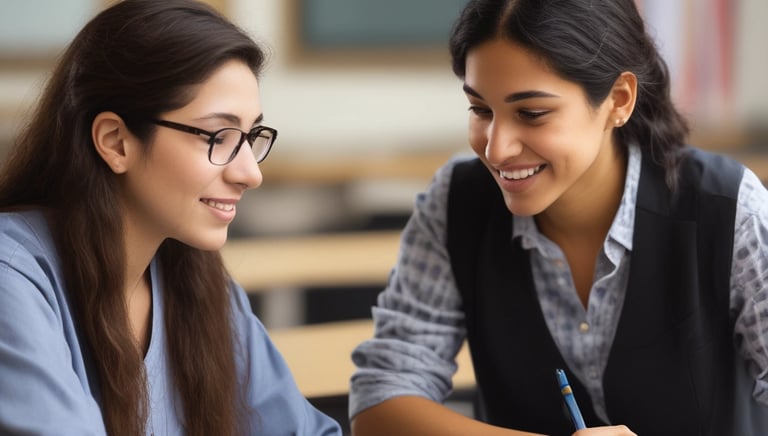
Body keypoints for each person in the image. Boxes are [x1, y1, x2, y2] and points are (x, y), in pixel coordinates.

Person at [349, 0, 768, 435]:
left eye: (531, 113)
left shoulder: (730, 209)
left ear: (618, 100)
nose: (496, 149)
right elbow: (380, 404)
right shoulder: (456, 202)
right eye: (480, 110)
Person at [0, 1, 341, 435]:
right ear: (116, 141)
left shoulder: (201, 285)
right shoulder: (12, 277)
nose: (250, 174)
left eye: (251, 136)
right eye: (219, 136)